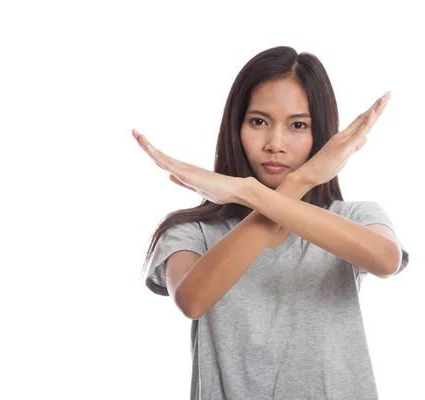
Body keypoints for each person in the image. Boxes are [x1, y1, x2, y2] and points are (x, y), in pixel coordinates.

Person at [133, 45, 410, 400]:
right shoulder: (191, 232)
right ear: (236, 127)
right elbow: (192, 301)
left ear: (320, 134)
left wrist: (257, 191)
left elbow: (386, 261)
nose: (275, 144)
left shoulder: (352, 217)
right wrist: (291, 186)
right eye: (258, 122)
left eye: (298, 125)